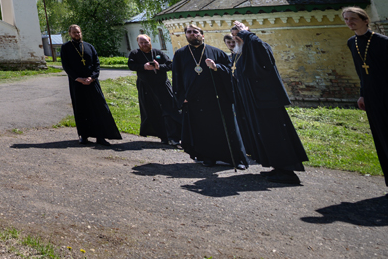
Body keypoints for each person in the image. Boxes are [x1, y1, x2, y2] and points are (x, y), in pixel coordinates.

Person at [229, 22, 308, 184]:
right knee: (265, 135)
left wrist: (246, 33)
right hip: (253, 104)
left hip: (266, 102)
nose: (236, 37)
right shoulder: (240, 53)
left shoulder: (258, 47)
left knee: (275, 134)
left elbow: (260, 52)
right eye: (234, 35)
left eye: (238, 34)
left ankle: (287, 171)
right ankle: (278, 167)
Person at [171, 24, 246, 169]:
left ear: (202, 35)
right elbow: (176, 77)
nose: (192, 34)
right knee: (202, 131)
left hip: (217, 99)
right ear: (186, 35)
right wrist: (181, 98)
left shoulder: (217, 53)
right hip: (194, 101)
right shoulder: (180, 54)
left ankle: (235, 159)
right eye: (189, 32)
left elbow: (231, 74)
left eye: (196, 32)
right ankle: (208, 157)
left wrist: (216, 67)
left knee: (225, 129)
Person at [343, 6, 388, 190]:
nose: (349, 22)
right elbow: (360, 72)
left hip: (387, 93)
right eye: (346, 19)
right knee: (382, 138)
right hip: (371, 96)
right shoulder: (351, 43)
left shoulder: (384, 42)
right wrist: (362, 94)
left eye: (353, 18)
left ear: (365, 20)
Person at [60, 24, 122, 146]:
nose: (77, 34)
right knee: (81, 109)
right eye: (74, 33)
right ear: (70, 34)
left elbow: (96, 64)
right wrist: (78, 78)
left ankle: (101, 136)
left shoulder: (89, 47)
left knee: (99, 108)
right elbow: (66, 66)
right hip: (77, 84)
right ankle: (84, 135)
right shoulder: (66, 48)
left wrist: (92, 77)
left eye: (78, 32)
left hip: (92, 83)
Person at [127, 34, 180, 145]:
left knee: (169, 109)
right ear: (138, 43)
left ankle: (174, 136)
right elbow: (131, 65)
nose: (144, 45)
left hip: (162, 86)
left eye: (146, 42)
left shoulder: (158, 53)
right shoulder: (135, 54)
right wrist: (143, 67)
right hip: (146, 87)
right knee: (153, 111)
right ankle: (163, 136)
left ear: (150, 41)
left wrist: (159, 67)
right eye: (141, 43)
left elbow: (170, 65)